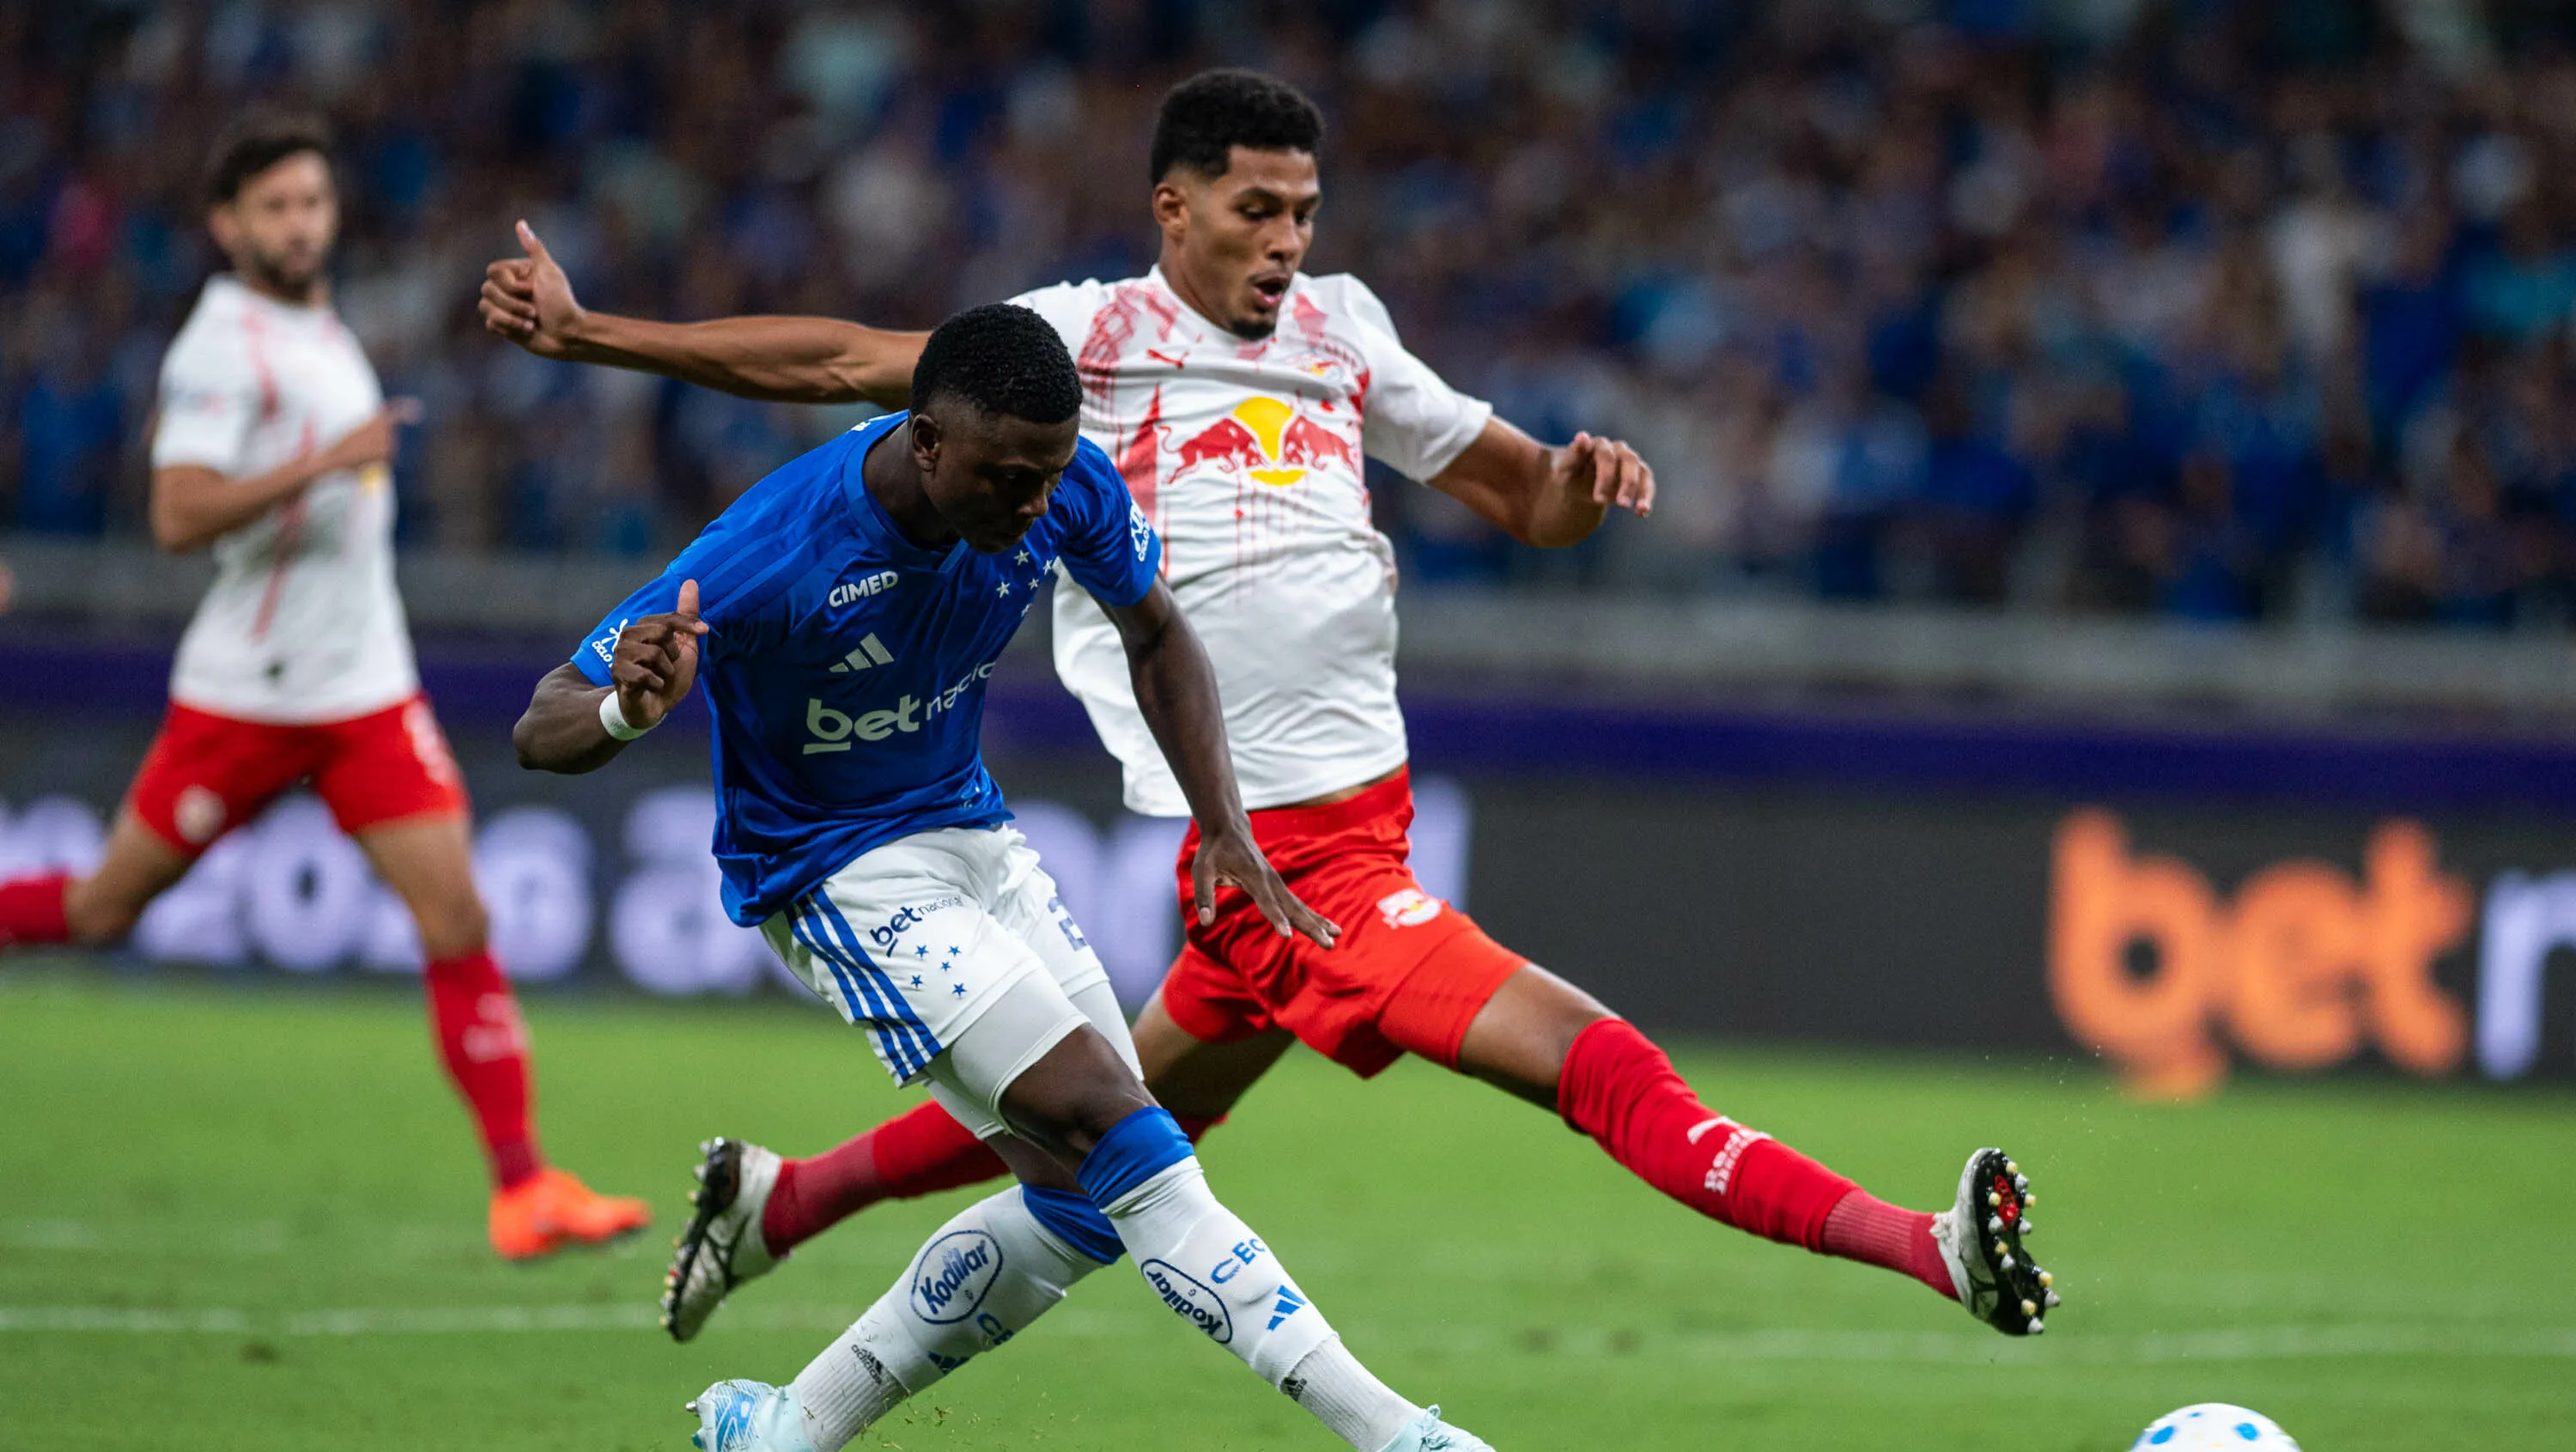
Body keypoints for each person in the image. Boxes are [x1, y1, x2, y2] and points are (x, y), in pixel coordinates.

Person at [480, 70, 2056, 1343]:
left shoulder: (1345, 330)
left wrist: (1580, 485)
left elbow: (1525, 498)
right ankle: (1926, 1247)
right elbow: (842, 360)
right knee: (1599, 1065)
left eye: (1304, 209)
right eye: (1256, 208)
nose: (1287, 238)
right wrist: (593, 331)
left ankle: (778, 1202)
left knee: (1098, 1117)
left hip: (1362, 820)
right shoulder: (1085, 341)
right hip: (1286, 853)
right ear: (1175, 207)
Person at [513, 302, 1564, 1452]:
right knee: (1121, 1130)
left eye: (1049, 473)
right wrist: (627, 707)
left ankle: (777, 1433)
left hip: (976, 842)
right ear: (925, 439)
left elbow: (1157, 630)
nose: (1033, 504)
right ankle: (1404, 1443)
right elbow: (544, 725)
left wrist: (1225, 824)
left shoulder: (1060, 482)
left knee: (1080, 1206)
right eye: (1007, 477)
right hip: (836, 874)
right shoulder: (773, 552)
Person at [0, 111, 648, 1261]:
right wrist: (326, 461)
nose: (300, 225)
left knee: (459, 917)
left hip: (364, 692)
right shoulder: (220, 347)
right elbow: (176, 514)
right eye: (275, 208)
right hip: (248, 694)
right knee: (104, 909)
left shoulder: (317, 326)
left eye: (312, 203)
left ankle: (525, 1188)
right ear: (227, 225)